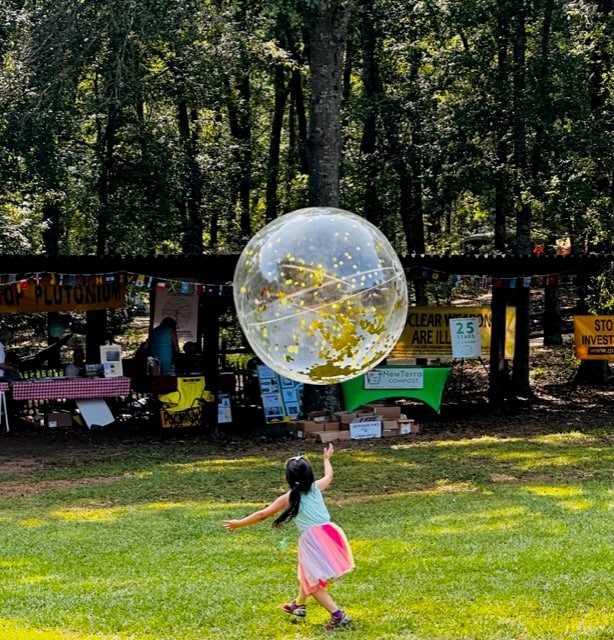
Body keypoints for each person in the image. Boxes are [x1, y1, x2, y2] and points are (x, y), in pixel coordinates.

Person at [223, 444, 354, 631]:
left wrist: (239, 523)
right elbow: (329, 476)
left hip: (314, 540)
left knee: (313, 581)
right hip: (330, 533)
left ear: (286, 479)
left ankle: (338, 615)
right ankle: (298, 604)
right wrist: (326, 460)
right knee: (307, 573)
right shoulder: (316, 487)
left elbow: (262, 515)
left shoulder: (289, 497)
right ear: (310, 476)